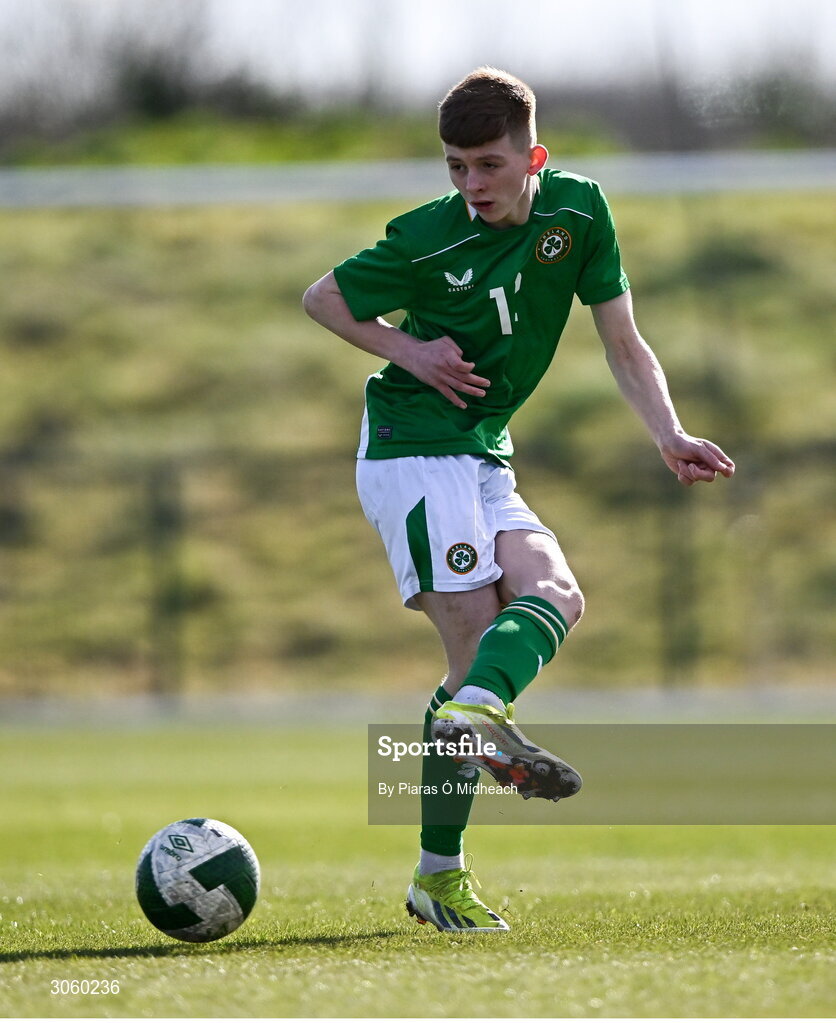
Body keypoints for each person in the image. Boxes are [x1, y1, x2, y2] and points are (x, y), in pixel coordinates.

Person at [303, 67, 734, 933]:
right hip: (411, 448)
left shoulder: (579, 213)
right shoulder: (424, 238)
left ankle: (464, 754)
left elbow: (624, 341)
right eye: (457, 166)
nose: (471, 185)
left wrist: (668, 434)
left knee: (556, 595)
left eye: (490, 165)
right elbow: (325, 299)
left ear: (533, 155)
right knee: (471, 654)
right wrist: (411, 352)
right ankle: (443, 868)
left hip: (481, 451)